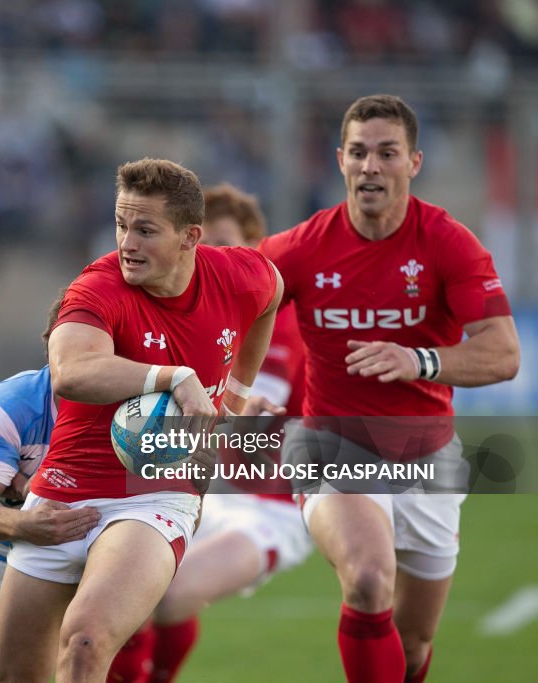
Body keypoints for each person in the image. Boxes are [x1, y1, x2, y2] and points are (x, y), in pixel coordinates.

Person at [0, 158, 282, 683]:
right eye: (122, 225)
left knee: (84, 640)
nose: (127, 243)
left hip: (155, 496)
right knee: (6, 674)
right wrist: (171, 376)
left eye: (146, 230)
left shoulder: (238, 275)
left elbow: (273, 293)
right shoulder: (98, 286)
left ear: (191, 237)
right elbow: (72, 372)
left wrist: (235, 396)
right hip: (63, 491)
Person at [258, 94, 519, 682]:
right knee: (370, 579)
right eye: (358, 152)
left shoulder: (450, 244)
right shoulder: (300, 248)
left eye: (386, 153)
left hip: (427, 457)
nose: (370, 166)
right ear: (340, 161)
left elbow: (503, 354)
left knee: (415, 644)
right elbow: (233, 306)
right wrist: (239, 387)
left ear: (414, 162)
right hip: (333, 445)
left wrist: (419, 360)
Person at [107, 183, 314, 682]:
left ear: (257, 247)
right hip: (195, 488)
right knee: (123, 588)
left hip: (269, 503)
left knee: (165, 593)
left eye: (230, 244)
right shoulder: (181, 313)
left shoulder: (280, 325)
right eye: (207, 246)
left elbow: (241, 424)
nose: (217, 257)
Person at [0, 292, 101, 683]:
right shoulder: (11, 403)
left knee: (0, 673)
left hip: (40, 557)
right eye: (72, 341)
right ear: (50, 341)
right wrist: (26, 521)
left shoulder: (129, 415)